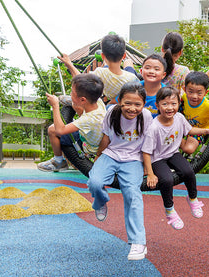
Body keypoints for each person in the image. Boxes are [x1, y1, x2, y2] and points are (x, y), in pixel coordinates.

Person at [87, 82, 153, 261]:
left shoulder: (146, 116)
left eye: (137, 104)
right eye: (127, 103)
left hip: (133, 159)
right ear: (119, 101)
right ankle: (100, 201)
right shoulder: (112, 113)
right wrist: (98, 158)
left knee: (132, 193)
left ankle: (138, 242)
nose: (132, 108)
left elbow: (148, 143)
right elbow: (106, 137)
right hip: (111, 154)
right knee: (94, 182)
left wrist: (149, 168)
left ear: (144, 104)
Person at [142, 86, 209, 230]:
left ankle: (193, 198)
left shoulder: (179, 117)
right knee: (167, 180)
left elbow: (190, 130)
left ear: (179, 104)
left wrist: (207, 130)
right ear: (157, 105)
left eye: (173, 104)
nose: (169, 108)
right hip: (157, 158)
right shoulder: (153, 127)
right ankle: (169, 209)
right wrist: (150, 172)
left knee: (189, 172)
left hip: (173, 153)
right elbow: (146, 152)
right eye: (165, 104)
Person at [37, 74, 106, 172]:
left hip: (89, 146)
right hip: (92, 134)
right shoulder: (98, 101)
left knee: (52, 130)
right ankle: (69, 101)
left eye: (72, 93)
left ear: (83, 99)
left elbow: (60, 130)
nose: (70, 93)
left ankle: (59, 161)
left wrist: (55, 105)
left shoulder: (89, 119)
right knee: (76, 106)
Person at [59, 34, 138, 105]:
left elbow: (80, 79)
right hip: (126, 79)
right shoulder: (132, 78)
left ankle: (108, 62)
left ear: (102, 56)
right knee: (128, 62)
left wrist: (69, 64)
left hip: (108, 78)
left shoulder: (99, 73)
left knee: (106, 67)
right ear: (124, 55)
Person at [138, 53, 167, 118]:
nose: (151, 71)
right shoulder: (133, 89)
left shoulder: (167, 93)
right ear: (141, 71)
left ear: (163, 75)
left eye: (156, 69)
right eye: (147, 68)